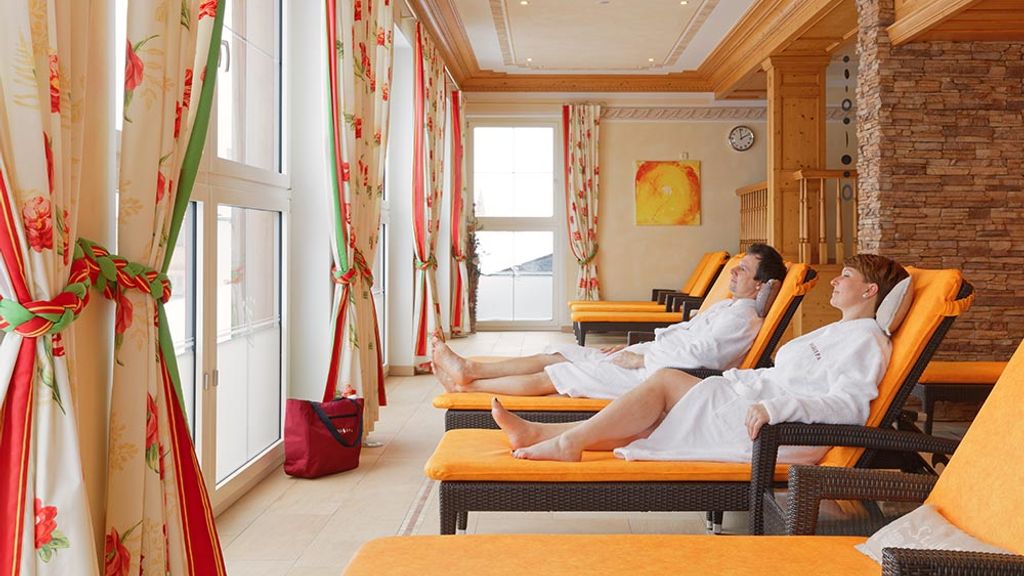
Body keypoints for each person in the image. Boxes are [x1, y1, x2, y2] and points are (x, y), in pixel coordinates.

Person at [492, 253, 908, 466]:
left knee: (665, 384)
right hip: (755, 402)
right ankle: (543, 433)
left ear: (870, 291)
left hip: (777, 426)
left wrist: (777, 408)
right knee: (656, 410)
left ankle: (567, 442)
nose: (835, 281)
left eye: (846, 276)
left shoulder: (866, 340)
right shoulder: (840, 331)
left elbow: (851, 406)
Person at [432, 244, 788, 399]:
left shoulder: (742, 319)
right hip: (649, 360)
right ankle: (470, 369)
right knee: (558, 354)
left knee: (556, 375)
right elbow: (685, 334)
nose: (733, 273)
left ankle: (468, 388)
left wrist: (642, 359)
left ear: (761, 284)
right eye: (736, 267)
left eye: (743, 270)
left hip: (655, 377)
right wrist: (636, 347)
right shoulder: (729, 307)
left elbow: (701, 358)